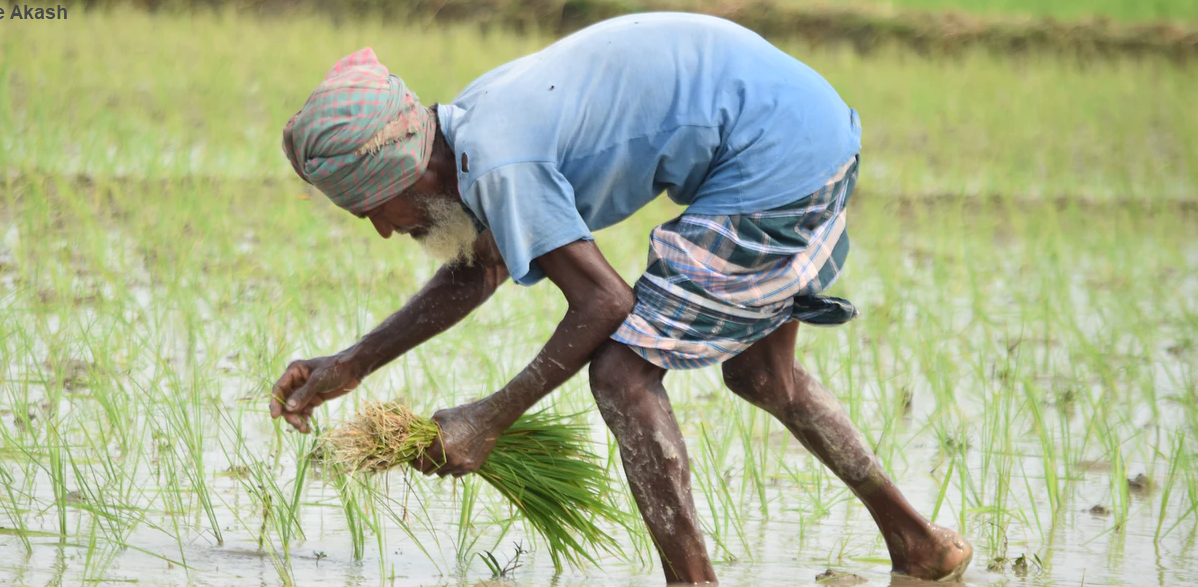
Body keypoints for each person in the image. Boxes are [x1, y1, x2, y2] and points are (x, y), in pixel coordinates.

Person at [271, 12, 973, 584]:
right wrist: (351, 364)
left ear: (412, 169)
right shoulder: (465, 131)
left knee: (621, 372)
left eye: (377, 207)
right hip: (795, 128)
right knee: (764, 375)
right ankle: (918, 544)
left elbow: (602, 301)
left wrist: (488, 418)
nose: (384, 230)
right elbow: (477, 268)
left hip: (773, 153)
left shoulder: (500, 159)